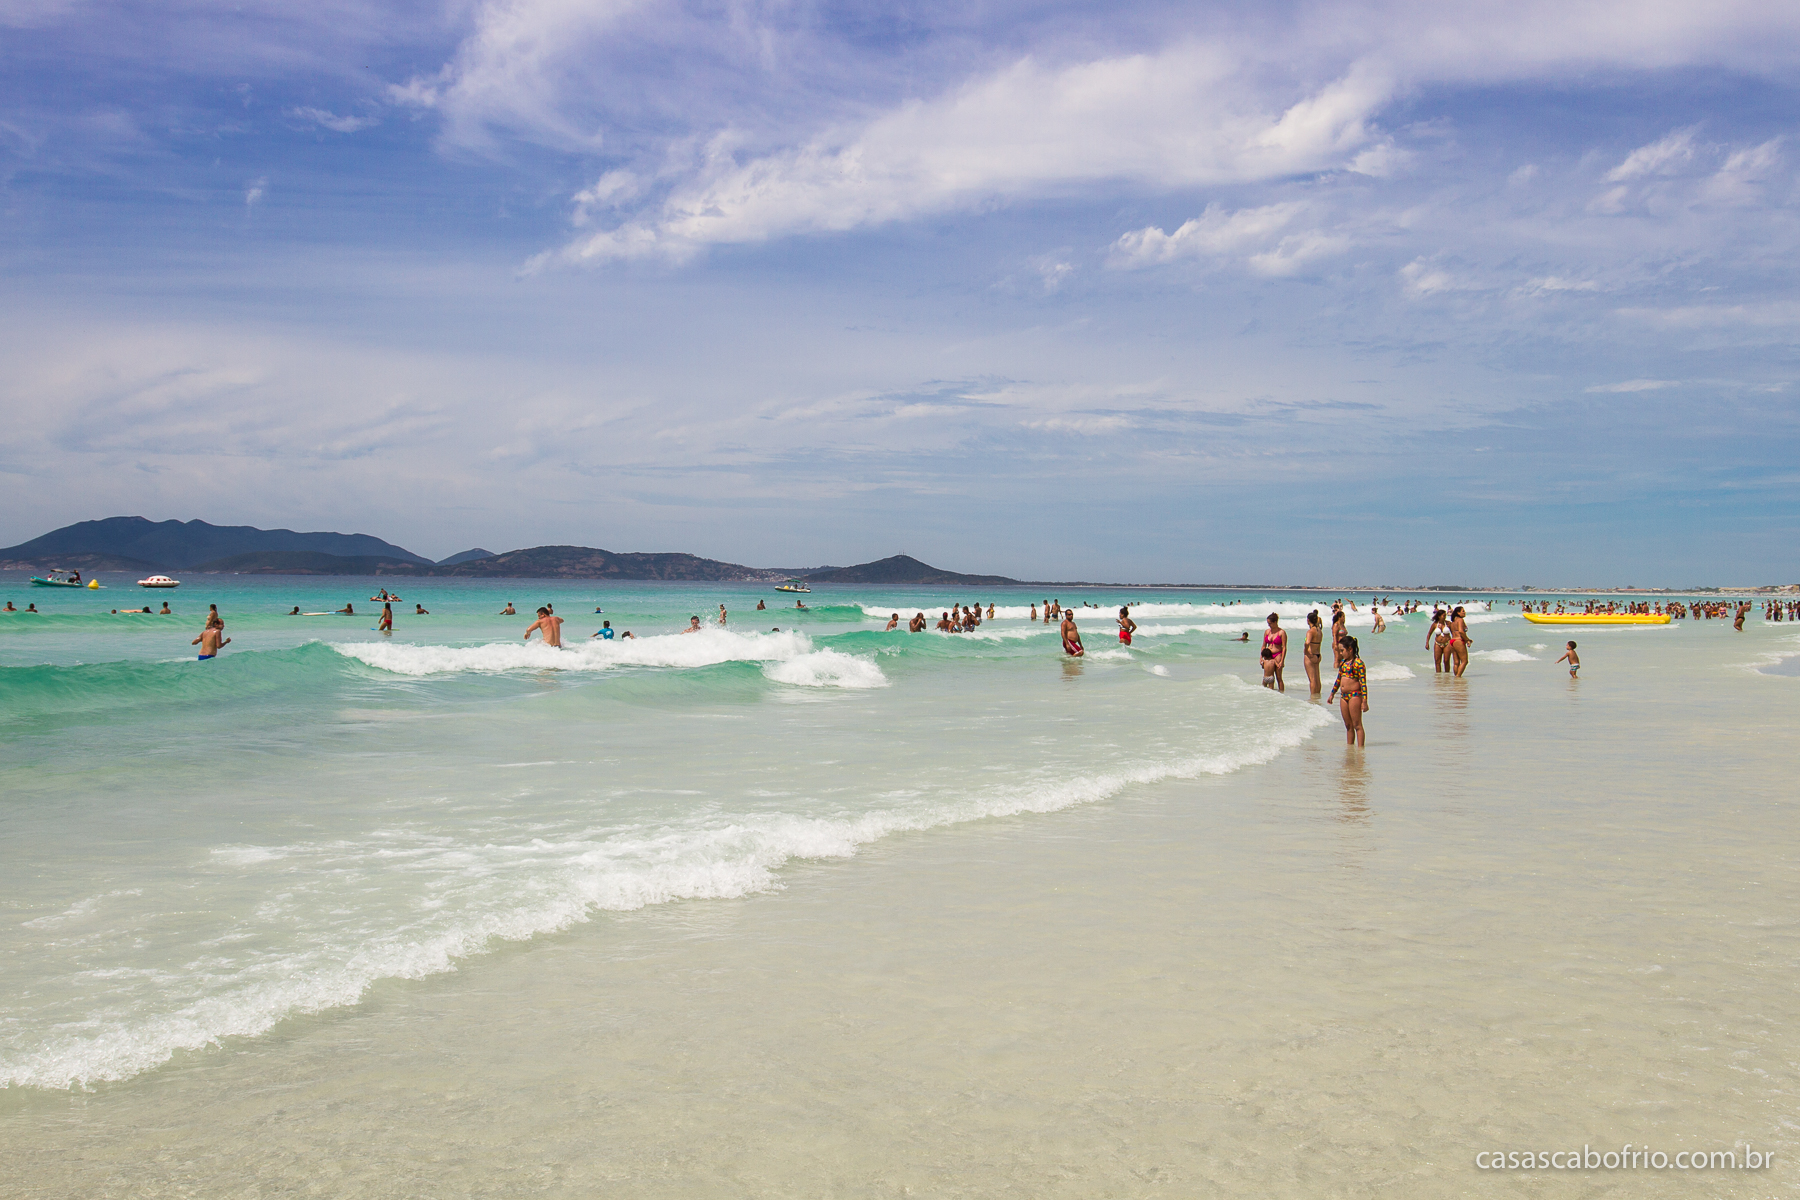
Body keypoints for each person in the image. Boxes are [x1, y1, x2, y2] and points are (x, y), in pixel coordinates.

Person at [1327, 634, 1367, 747]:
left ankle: (1360, 750)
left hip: (1354, 695)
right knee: (1348, 726)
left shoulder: (1358, 663)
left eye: (1342, 650)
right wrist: (1332, 694)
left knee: (1357, 725)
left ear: (1350, 649)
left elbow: (1363, 684)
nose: (1340, 653)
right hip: (1343, 696)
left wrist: (1364, 701)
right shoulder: (1343, 663)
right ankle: (1350, 749)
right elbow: (1338, 680)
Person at [1262, 613, 1288, 693]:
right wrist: (1261, 657)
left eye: (1270, 623)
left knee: (1278, 677)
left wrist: (1282, 661)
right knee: (1267, 676)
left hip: (1278, 654)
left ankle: (1281, 694)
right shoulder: (1267, 632)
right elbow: (1263, 645)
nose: (1268, 625)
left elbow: (1284, 647)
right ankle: (1267, 694)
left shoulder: (1281, 632)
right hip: (1268, 655)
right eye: (1268, 623)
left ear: (1275, 622)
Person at [1303, 610, 1324, 695]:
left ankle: (1313, 697)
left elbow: (1307, 642)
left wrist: (1306, 651)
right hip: (1318, 654)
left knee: (1312, 679)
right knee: (1317, 678)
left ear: (1308, 620)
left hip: (1310, 656)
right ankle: (1317, 696)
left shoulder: (1310, 631)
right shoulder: (1319, 630)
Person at [1448, 606, 1472, 678]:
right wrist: (1467, 640)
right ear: (1458, 613)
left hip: (1452, 641)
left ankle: (1456, 677)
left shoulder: (1453, 622)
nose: (1464, 612)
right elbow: (1461, 631)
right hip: (1459, 640)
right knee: (1465, 661)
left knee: (1456, 662)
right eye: (1463, 611)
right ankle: (1458, 677)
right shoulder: (1460, 620)